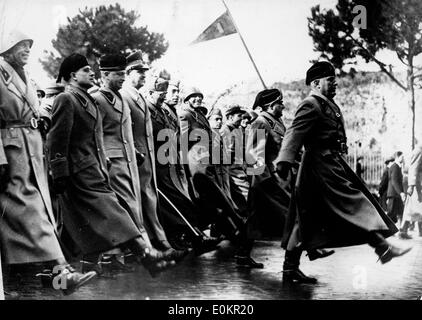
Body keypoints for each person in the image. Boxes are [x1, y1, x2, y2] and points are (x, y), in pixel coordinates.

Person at [277, 61, 411, 284]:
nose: (336, 83)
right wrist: (284, 161)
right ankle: (382, 248)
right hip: (319, 168)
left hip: (330, 165)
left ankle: (290, 269)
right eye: (331, 80)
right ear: (316, 83)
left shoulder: (327, 105)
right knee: (356, 204)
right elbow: (294, 134)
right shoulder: (311, 104)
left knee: (305, 220)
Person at [48, 53, 171, 278]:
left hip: (94, 169)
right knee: (114, 213)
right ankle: (147, 255)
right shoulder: (66, 99)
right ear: (73, 76)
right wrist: (59, 173)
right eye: (86, 70)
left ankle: (82, 268)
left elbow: (98, 137)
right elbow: (56, 139)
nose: (91, 72)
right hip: (78, 173)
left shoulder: (86, 100)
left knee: (79, 225)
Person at [0, 31, 95, 294]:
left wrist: (40, 117)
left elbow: (32, 105)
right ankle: (62, 272)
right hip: (12, 153)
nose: (27, 50)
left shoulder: (23, 75)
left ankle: (33, 282)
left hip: (30, 150)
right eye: (21, 46)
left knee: (31, 219)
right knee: (34, 216)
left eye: (29, 46)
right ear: (7, 48)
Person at [148, 77, 219, 254]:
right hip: (158, 163)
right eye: (170, 91)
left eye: (173, 92)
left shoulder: (166, 112)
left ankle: (187, 237)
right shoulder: (156, 110)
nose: (172, 95)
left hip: (172, 163)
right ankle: (191, 237)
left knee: (181, 201)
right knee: (173, 202)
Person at [120, 51, 179, 256]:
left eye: (145, 71)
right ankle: (145, 247)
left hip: (147, 159)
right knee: (135, 202)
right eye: (139, 71)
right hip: (133, 159)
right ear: (128, 73)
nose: (144, 75)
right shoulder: (123, 96)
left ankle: (159, 243)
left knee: (149, 200)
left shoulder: (140, 97)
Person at [400, 144, 422, 238]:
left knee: (414, 209)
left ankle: (404, 230)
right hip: (417, 185)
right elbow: (413, 167)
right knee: (413, 209)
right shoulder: (419, 150)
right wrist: (411, 186)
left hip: (418, 184)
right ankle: (403, 230)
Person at [386, 151, 406, 225]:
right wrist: (401, 193)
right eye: (402, 157)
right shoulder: (395, 167)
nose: (403, 158)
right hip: (394, 194)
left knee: (400, 212)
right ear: (397, 157)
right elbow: (394, 181)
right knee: (391, 214)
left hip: (395, 194)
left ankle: (401, 231)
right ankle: (385, 230)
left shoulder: (397, 166)